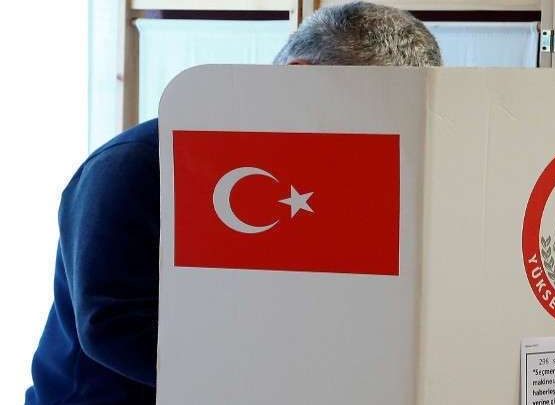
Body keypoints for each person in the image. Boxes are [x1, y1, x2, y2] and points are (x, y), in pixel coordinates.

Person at [25, 2, 441, 404]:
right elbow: (111, 324)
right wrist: (275, 381)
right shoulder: (136, 164)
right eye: (365, 112)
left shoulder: (326, 174)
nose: (373, 135)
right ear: (298, 79)